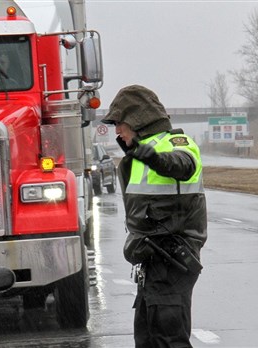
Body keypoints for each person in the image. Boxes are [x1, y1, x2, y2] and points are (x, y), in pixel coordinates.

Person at [100, 85, 207, 347]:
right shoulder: (139, 154)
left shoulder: (174, 142)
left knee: (169, 339)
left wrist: (149, 155)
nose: (116, 131)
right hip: (153, 259)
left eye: (120, 123)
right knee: (147, 338)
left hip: (172, 259)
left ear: (137, 121)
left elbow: (182, 164)